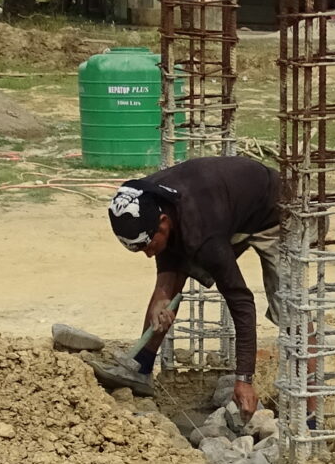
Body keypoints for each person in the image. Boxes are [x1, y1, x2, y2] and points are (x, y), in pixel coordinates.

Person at [106, 154, 283, 420]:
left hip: (275, 210)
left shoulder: (203, 234)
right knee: (169, 281)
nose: (147, 255)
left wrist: (244, 378)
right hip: (222, 206)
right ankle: (140, 368)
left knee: (292, 308)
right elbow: (166, 270)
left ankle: (311, 417)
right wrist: (160, 301)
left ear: (164, 224)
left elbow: (242, 302)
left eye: (148, 246)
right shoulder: (149, 198)